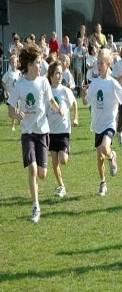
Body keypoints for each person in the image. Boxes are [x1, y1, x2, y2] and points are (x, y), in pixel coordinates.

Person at [7, 45, 61, 223]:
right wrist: (16, 114)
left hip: (42, 131)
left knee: (42, 174)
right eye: (39, 63)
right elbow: (10, 109)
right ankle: (35, 206)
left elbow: (50, 99)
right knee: (32, 168)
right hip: (27, 133)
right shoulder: (20, 84)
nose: (42, 65)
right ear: (30, 65)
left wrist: (57, 108)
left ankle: (36, 192)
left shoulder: (44, 82)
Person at [81, 48, 122, 196]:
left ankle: (112, 156)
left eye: (101, 63)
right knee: (99, 158)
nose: (98, 65)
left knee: (104, 148)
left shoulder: (112, 83)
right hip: (97, 124)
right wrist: (84, 94)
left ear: (109, 64)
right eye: (97, 62)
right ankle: (103, 182)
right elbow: (85, 102)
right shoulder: (94, 83)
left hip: (110, 123)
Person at [47, 61, 78, 197]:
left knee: (63, 160)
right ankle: (61, 186)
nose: (60, 76)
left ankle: (67, 149)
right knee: (54, 161)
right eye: (57, 73)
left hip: (64, 130)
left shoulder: (65, 90)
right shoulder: (46, 91)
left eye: (61, 73)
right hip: (50, 131)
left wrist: (75, 117)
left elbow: (75, 103)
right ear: (51, 75)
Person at [2, 54, 21, 131]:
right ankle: (13, 125)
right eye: (12, 62)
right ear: (10, 63)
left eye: (15, 62)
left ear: (17, 63)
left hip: (18, 94)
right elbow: (3, 82)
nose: (14, 64)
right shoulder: (8, 73)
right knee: (13, 110)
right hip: (10, 94)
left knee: (18, 109)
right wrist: (6, 90)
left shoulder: (19, 72)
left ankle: (19, 122)